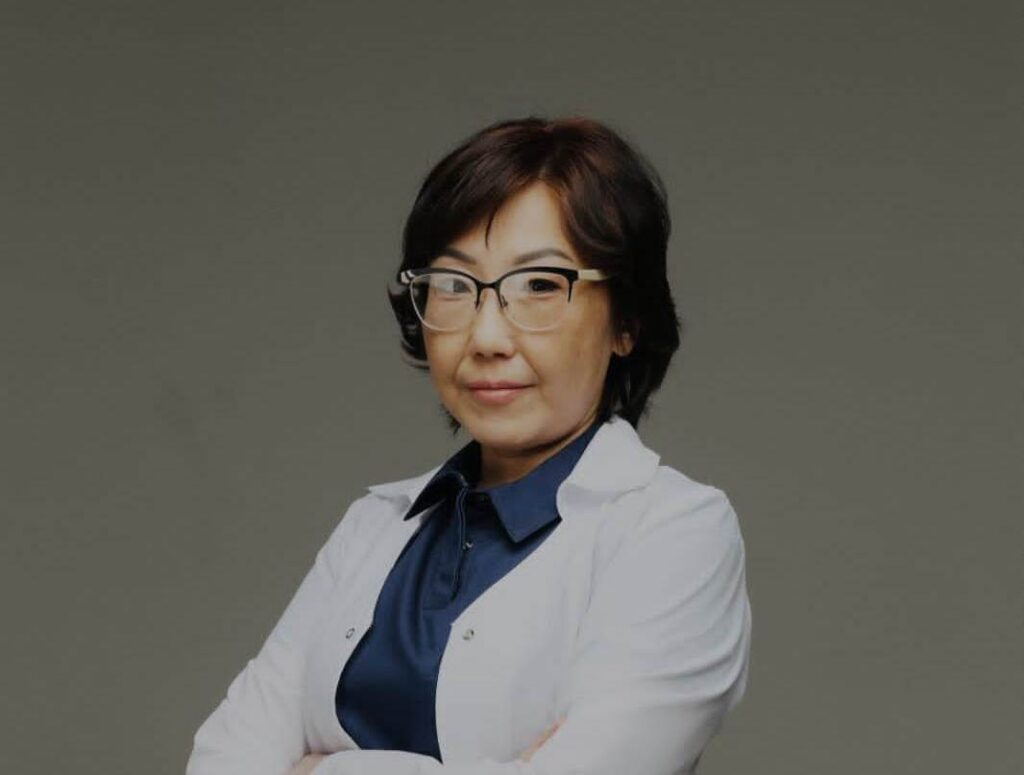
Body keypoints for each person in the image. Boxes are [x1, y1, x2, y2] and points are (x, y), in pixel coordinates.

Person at [186, 115, 752, 775]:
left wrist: (321, 769)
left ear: (626, 319)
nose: (486, 337)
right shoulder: (373, 525)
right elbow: (221, 758)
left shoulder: (675, 530)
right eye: (453, 285)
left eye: (540, 285)